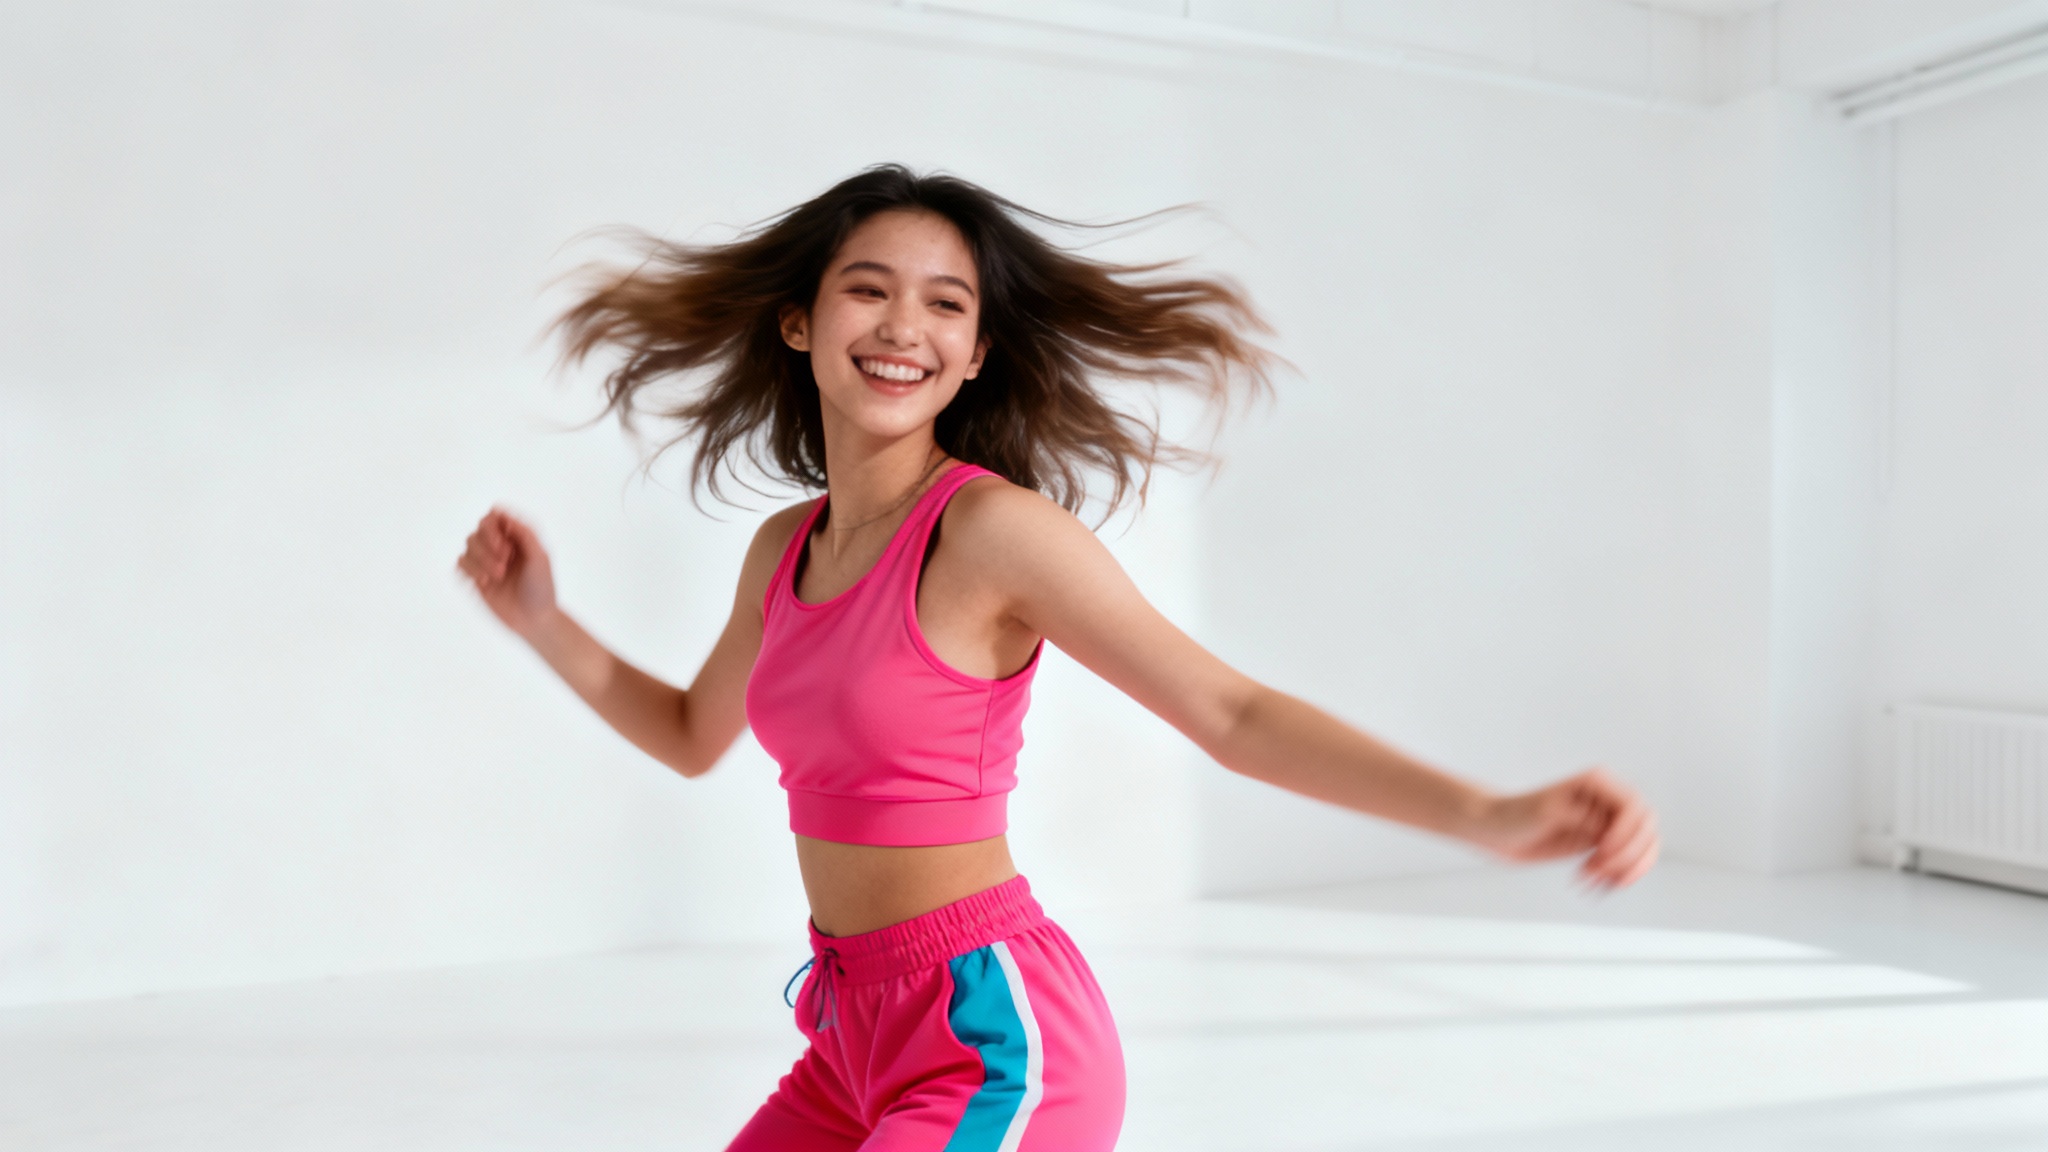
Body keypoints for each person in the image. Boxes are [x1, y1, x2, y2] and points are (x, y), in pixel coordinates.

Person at [456, 165, 1659, 1151]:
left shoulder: (988, 534)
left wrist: (1490, 815)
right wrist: (543, 621)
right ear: (800, 321)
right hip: (850, 1038)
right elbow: (686, 736)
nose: (902, 328)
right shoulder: (784, 547)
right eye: (867, 291)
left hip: (989, 1038)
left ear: (975, 354)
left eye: (944, 305)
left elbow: (1229, 713)